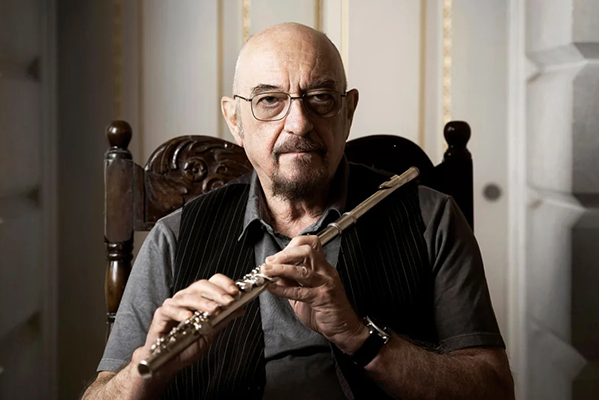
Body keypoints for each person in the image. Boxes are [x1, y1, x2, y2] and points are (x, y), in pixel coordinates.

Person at [83, 23, 514, 400]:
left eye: (321, 98)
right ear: (234, 119)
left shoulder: (430, 217)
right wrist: (147, 369)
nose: (299, 123)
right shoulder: (173, 237)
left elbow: (493, 391)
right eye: (269, 100)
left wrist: (359, 337)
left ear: (348, 112)